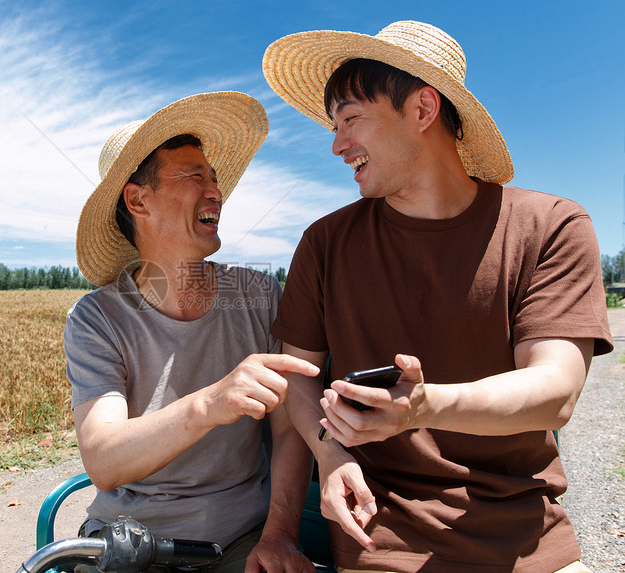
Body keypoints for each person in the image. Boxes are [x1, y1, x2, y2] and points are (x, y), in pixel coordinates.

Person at [261, 20, 614, 573]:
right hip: (380, 542)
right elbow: (296, 381)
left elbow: (556, 392)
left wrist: (423, 409)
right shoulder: (324, 243)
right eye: (334, 125)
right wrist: (329, 456)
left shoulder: (551, 226)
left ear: (423, 109)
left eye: (351, 118)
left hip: (528, 543)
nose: (336, 145)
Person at [63, 91, 319, 573]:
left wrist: (280, 535)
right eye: (194, 176)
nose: (216, 192)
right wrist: (209, 403)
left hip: (242, 540)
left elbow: (290, 431)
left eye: (216, 179)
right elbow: (103, 458)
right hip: (131, 545)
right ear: (138, 200)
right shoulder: (96, 320)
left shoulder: (260, 296)